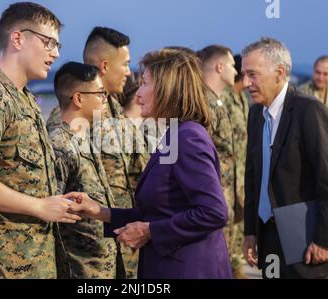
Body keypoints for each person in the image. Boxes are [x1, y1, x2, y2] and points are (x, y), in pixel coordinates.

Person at [64, 48, 232, 279]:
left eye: (144, 83)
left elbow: (213, 212)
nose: (138, 93)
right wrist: (100, 211)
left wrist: (150, 231)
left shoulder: (188, 138)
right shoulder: (174, 134)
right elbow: (160, 211)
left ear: (167, 89)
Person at [0, 2, 81, 279]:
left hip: (35, 258)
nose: (56, 53)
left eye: (57, 45)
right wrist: (39, 206)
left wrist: (57, 200)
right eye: (48, 42)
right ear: (18, 38)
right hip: (4, 264)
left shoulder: (25, 100)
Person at [47, 26, 148, 278]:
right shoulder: (65, 121)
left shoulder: (117, 112)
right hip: (85, 258)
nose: (128, 71)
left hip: (124, 250)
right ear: (104, 65)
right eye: (124, 64)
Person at [242, 38, 328, 279]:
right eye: (244, 74)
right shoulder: (256, 113)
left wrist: (326, 241)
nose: (246, 83)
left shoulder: (309, 111)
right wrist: (251, 231)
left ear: (279, 73)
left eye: (253, 75)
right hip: (268, 238)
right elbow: (253, 176)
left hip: (307, 242)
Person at [48, 61, 125, 278]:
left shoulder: (83, 137)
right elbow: (53, 214)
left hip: (102, 265)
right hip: (79, 269)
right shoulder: (59, 144)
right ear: (79, 98)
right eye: (100, 93)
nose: (105, 99)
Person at [197, 45, 238, 276]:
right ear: (219, 66)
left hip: (224, 198)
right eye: (232, 65)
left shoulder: (219, 101)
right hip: (211, 200)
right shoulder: (203, 104)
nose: (236, 70)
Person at [221, 54, 250, 278]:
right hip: (227, 180)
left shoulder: (243, 99)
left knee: (238, 231)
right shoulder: (226, 99)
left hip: (241, 178)